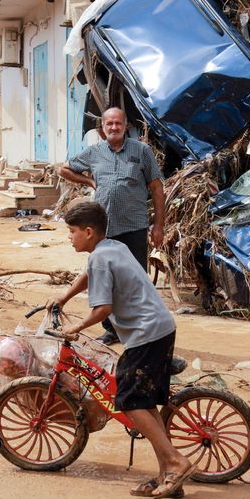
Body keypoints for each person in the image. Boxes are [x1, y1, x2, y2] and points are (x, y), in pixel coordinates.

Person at [48, 201, 192, 499]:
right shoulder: (112, 247)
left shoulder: (101, 259)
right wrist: (64, 296)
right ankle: (167, 472)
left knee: (127, 401)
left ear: (89, 232)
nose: (69, 237)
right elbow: (89, 275)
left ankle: (177, 462)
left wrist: (74, 329)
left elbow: (103, 309)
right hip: (160, 327)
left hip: (146, 333)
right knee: (144, 403)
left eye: (72, 232)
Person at [57, 107, 166, 345]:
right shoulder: (94, 153)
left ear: (126, 125)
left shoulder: (142, 151)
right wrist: (88, 180)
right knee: (104, 279)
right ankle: (111, 328)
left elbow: (157, 189)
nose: (114, 127)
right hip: (103, 230)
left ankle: (140, 327)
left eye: (118, 123)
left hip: (134, 226)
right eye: (109, 124)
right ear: (102, 128)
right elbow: (63, 169)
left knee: (134, 279)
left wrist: (159, 226)